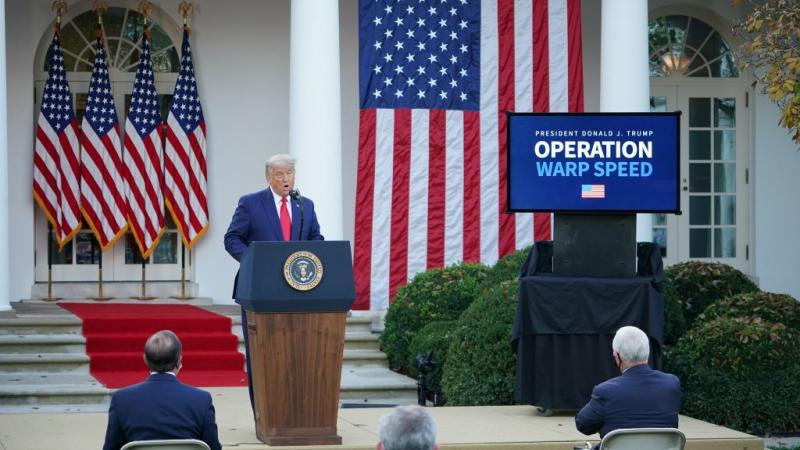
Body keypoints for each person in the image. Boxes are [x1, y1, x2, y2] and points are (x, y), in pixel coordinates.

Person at [224, 153, 323, 410]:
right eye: (279, 174)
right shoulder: (251, 203)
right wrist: (253, 260)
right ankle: (264, 412)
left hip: (300, 293)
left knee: (297, 354)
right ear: (269, 177)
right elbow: (232, 238)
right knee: (263, 355)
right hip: (260, 291)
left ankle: (297, 408)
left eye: (289, 173)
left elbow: (316, 241)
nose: (285, 178)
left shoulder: (306, 206)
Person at [102, 330, 221, 450]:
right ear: (179, 360)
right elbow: (214, 447)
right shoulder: (201, 400)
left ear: (145, 359)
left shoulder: (121, 400)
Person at [575, 326, 680, 443]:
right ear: (647, 352)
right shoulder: (671, 384)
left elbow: (582, 424)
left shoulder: (606, 392)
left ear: (617, 356)